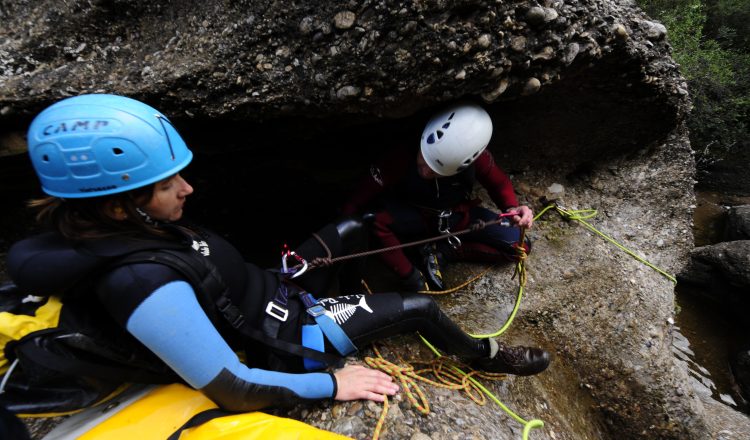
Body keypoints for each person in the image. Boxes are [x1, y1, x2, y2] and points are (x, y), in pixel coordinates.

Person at [6, 94, 550, 413]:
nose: (188, 189)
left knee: (352, 226)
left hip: (275, 290)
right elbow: (230, 383)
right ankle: (487, 357)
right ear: (122, 205)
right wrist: (332, 384)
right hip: (291, 335)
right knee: (420, 311)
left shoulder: (117, 231)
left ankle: (370, 282)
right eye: (170, 184)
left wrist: (291, 269)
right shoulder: (143, 285)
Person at [342, 102, 534, 291]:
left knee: (520, 245)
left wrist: (511, 209)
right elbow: (355, 203)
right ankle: (415, 261)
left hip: (454, 217)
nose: (425, 172)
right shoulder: (400, 155)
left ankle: (442, 253)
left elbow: (498, 183)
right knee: (373, 218)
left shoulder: (476, 158)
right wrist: (409, 275)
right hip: (411, 219)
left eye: (435, 171)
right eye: (423, 160)